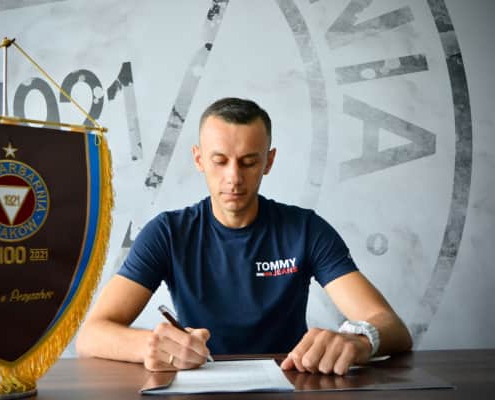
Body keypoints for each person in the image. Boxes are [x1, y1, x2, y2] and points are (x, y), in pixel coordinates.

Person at [76, 97, 412, 375]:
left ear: (269, 161)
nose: (234, 177)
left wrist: (359, 341)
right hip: (199, 388)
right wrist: (149, 345)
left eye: (249, 162)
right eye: (220, 161)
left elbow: (392, 327)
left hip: (289, 384)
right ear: (199, 159)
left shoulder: (306, 229)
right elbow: (91, 335)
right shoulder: (167, 233)